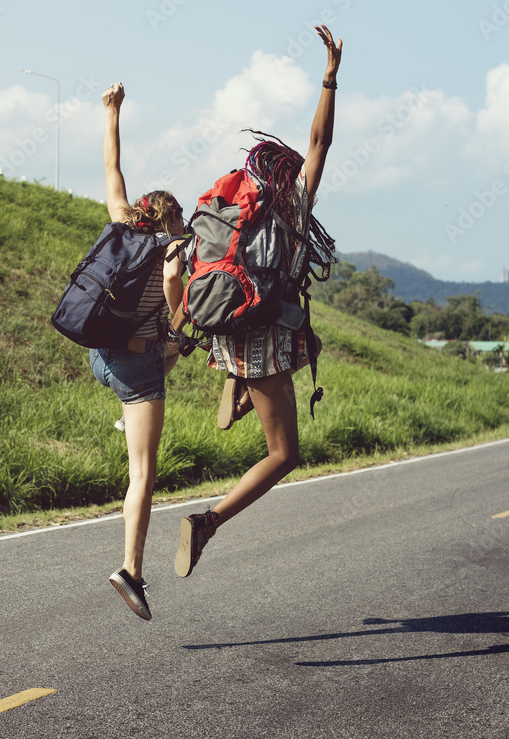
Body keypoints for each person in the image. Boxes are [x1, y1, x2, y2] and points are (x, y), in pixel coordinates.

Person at [174, 25, 343, 578]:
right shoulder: (293, 204)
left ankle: (235, 386)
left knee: (291, 338)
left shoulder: (236, 212)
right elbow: (321, 142)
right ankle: (209, 522)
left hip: (223, 327)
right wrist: (330, 77)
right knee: (283, 454)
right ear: (288, 175)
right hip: (259, 336)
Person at [94, 81, 187, 620]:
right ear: (170, 219)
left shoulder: (122, 226)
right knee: (143, 475)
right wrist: (176, 313)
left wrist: (112, 113)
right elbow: (174, 277)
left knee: (170, 347)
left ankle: (126, 415)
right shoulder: (168, 248)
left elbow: (112, 170)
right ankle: (131, 568)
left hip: (99, 356)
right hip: (135, 368)